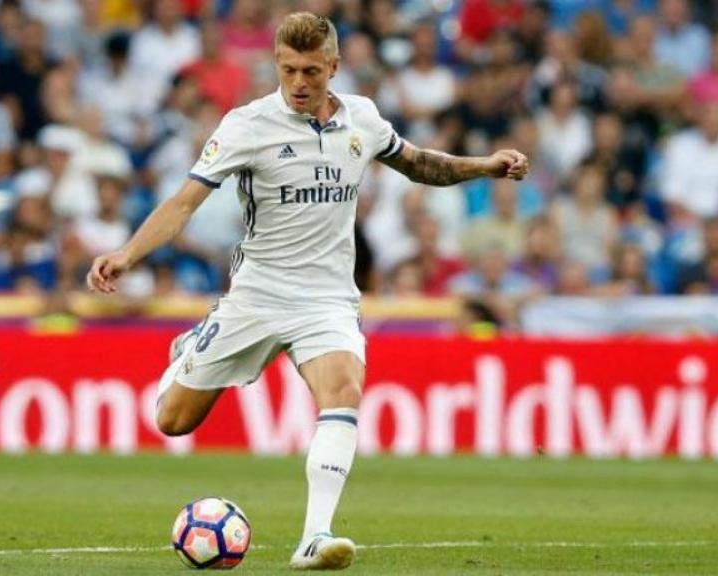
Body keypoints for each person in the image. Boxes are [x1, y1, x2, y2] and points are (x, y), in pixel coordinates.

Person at [85, 13, 528, 570]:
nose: (298, 82)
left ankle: (315, 537)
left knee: (343, 390)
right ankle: (189, 349)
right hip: (258, 294)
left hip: (327, 299)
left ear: (333, 68)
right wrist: (127, 253)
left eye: (311, 71)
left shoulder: (362, 118)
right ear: (276, 64)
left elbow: (418, 164)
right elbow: (182, 203)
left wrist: (485, 166)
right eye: (289, 69)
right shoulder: (248, 125)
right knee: (173, 421)